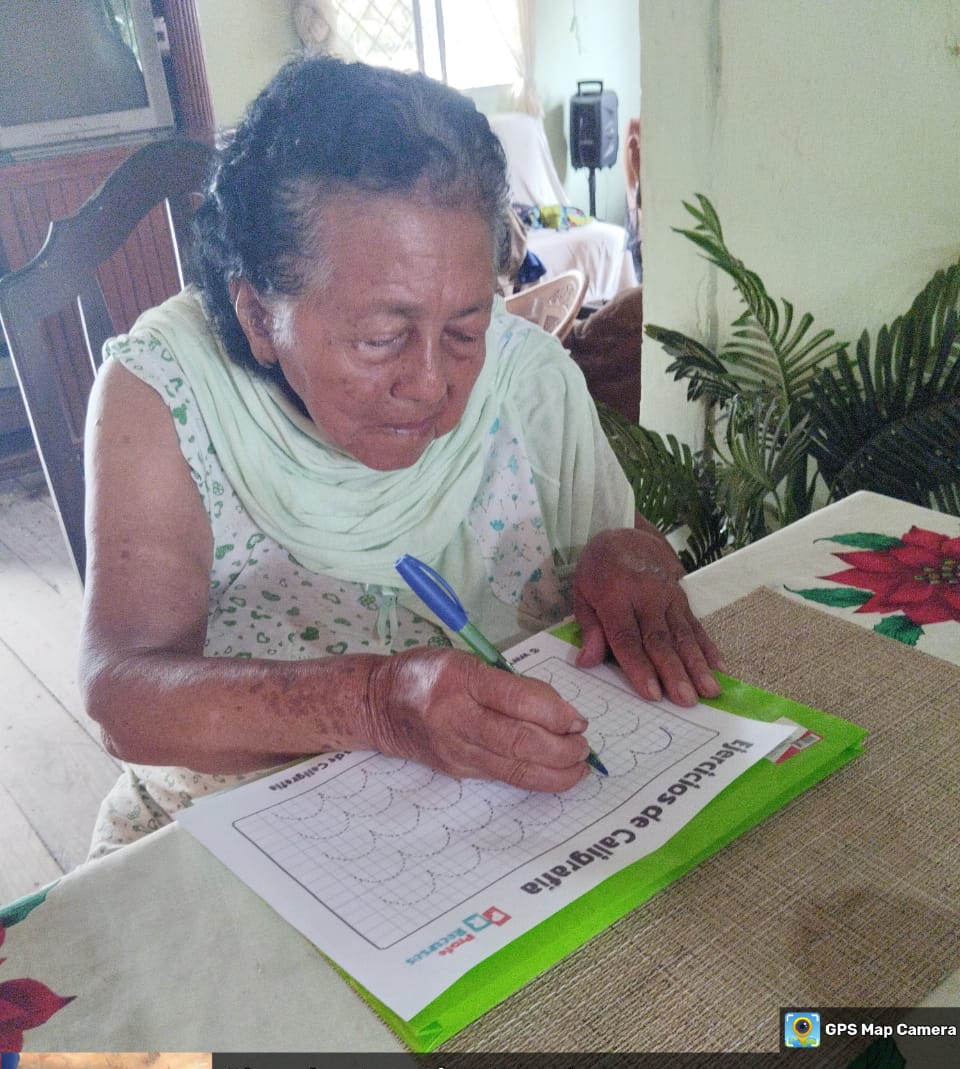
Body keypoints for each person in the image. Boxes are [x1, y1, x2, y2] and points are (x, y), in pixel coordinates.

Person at [79, 56, 723, 856]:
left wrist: (624, 558)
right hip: (243, 830)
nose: (430, 384)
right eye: (382, 337)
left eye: (466, 329)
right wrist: (373, 702)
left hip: (498, 825)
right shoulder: (167, 392)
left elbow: (633, 543)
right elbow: (123, 697)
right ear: (258, 317)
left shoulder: (525, 377)